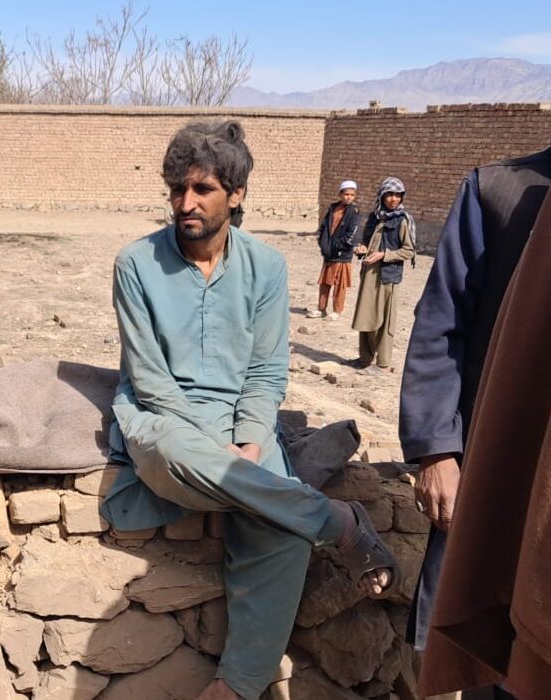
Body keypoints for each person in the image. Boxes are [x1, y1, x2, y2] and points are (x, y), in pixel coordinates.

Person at [100, 119, 397, 700]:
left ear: (235, 195)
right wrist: (221, 451)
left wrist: (254, 443)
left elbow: (264, 375)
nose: (186, 203)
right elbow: (150, 380)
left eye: (202, 190)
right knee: (182, 454)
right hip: (163, 421)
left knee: (282, 529)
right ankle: (336, 522)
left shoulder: (267, 267)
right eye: (178, 190)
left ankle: (235, 686)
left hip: (241, 422)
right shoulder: (135, 263)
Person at [397, 18, 551, 677]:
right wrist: (437, 452)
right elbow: (442, 326)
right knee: (488, 644)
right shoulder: (500, 193)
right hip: (502, 465)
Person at [349, 177, 414, 373]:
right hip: (369, 273)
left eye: (397, 195)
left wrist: (384, 255)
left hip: (387, 277)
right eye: (389, 195)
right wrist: (362, 248)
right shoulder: (375, 217)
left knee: (385, 320)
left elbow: (408, 251)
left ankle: (383, 364)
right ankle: (365, 358)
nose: (394, 199)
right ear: (382, 196)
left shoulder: (402, 220)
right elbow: (367, 241)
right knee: (366, 315)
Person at [306, 180, 360, 321]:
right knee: (325, 282)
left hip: (342, 254)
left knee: (340, 284)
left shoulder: (353, 212)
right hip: (329, 252)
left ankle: (337, 310)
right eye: (346, 194)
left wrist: (338, 246)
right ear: (340, 194)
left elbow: (351, 234)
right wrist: (323, 243)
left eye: (352, 195)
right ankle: (321, 308)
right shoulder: (333, 208)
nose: (349, 197)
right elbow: (324, 227)